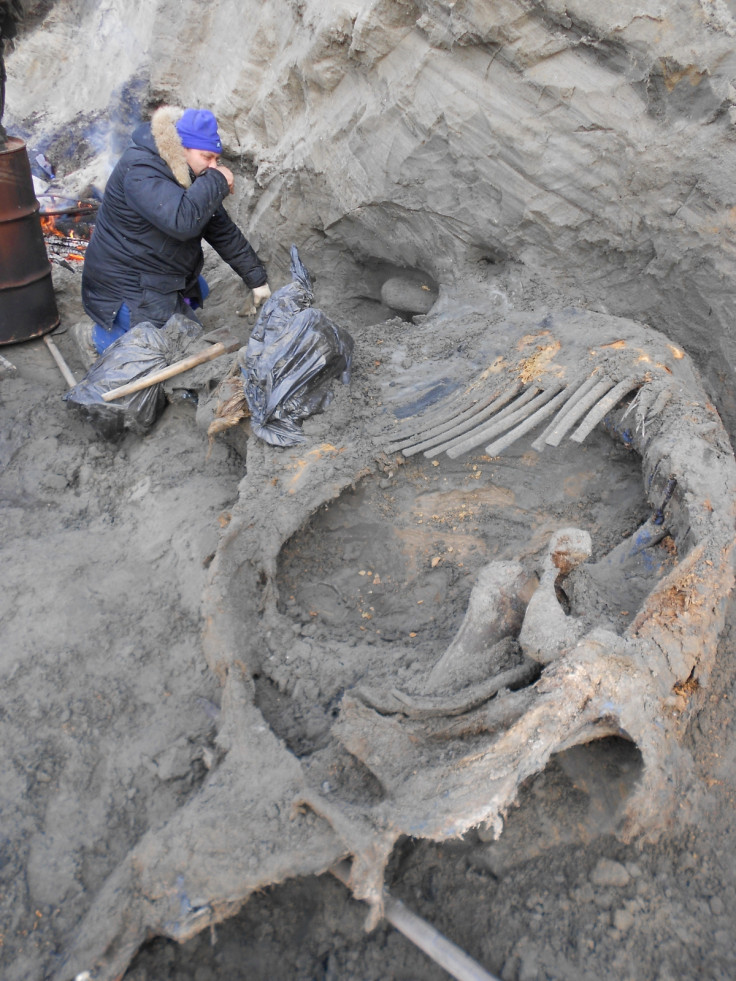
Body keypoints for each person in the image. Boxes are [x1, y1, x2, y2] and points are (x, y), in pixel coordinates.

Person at [79, 105, 271, 358]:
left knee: (196, 295)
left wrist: (257, 281)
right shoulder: (141, 171)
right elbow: (182, 222)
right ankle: (95, 339)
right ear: (181, 149)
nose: (213, 166)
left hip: (157, 267)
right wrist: (217, 180)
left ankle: (165, 315)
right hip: (125, 281)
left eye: (217, 160)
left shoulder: (187, 172)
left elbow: (220, 229)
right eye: (207, 157)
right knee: (172, 352)